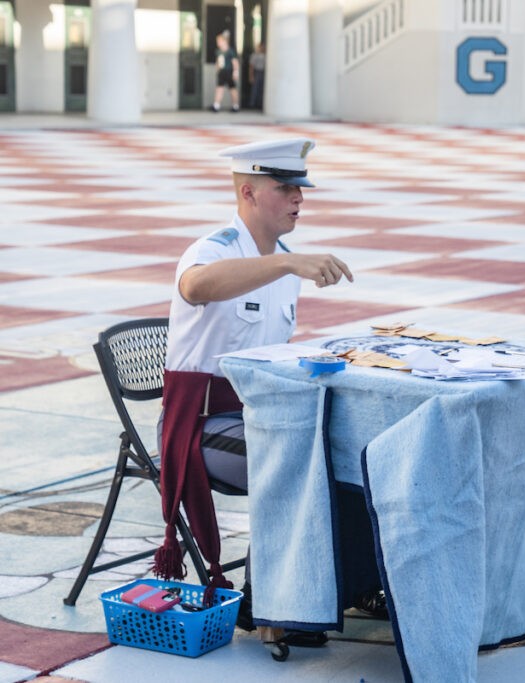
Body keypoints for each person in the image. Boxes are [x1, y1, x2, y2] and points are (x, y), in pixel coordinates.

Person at [154, 137, 353, 643]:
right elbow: (196, 287)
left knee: (349, 453)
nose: (299, 199)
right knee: (299, 460)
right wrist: (286, 264)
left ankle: (328, 591)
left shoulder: (286, 262)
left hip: (256, 416)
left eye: (300, 189)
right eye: (286, 188)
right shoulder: (216, 249)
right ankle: (269, 605)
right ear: (248, 192)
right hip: (198, 428)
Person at [211, 31, 241, 112]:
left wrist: (235, 72)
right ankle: (216, 105)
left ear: (224, 41)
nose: (218, 43)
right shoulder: (218, 51)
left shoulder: (230, 51)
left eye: (220, 41)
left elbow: (235, 62)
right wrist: (217, 70)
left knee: (232, 88)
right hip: (222, 72)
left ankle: (235, 105)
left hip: (229, 71)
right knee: (219, 88)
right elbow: (218, 62)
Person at [249, 42, 266, 110]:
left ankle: (260, 103)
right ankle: (252, 103)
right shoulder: (255, 55)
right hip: (257, 72)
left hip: (264, 72)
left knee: (262, 89)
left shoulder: (266, 55)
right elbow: (251, 66)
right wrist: (251, 76)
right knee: (255, 88)